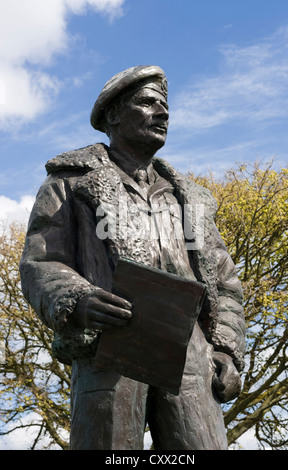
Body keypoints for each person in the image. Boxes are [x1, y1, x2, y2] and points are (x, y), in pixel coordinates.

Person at [20, 65, 246, 450]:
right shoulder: (69, 183)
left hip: (190, 352)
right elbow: (41, 262)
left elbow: (225, 282)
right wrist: (77, 300)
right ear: (113, 115)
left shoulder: (187, 197)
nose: (163, 113)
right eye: (148, 103)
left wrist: (225, 348)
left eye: (165, 106)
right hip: (110, 347)